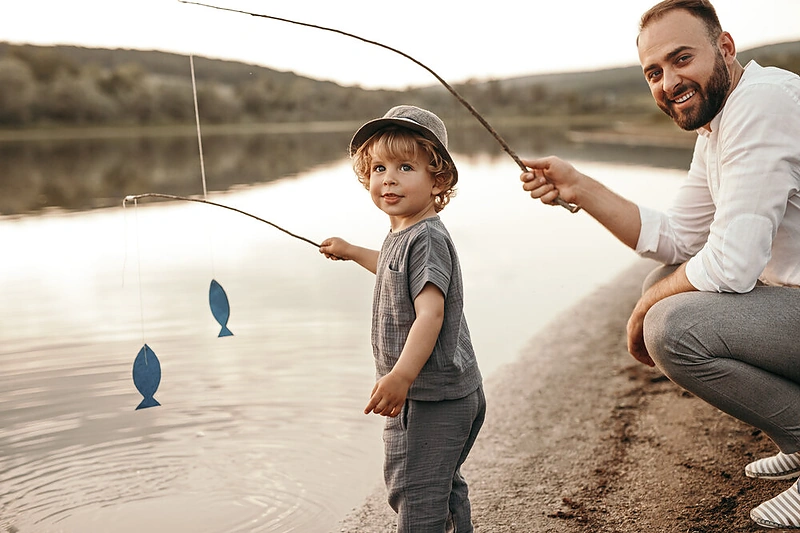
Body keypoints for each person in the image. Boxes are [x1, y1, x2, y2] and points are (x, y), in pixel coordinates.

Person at [519, 0, 800, 528]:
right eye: (654, 72)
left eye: (681, 59)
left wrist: (641, 313)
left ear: (725, 48)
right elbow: (678, 238)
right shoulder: (719, 122)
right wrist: (580, 187)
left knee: (670, 323)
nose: (668, 82)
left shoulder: (761, 105)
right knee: (661, 285)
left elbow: (733, 265)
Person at [319, 105, 485, 532]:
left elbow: (430, 313)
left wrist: (401, 377)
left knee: (414, 494)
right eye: (378, 168)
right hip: (445, 391)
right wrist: (353, 251)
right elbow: (395, 269)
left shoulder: (427, 237)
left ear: (439, 178)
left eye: (405, 166)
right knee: (438, 486)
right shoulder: (406, 232)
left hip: (431, 396)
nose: (388, 178)